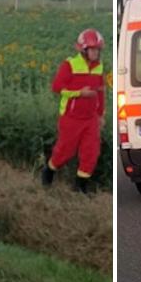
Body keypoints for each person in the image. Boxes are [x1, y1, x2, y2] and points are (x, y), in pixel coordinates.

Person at [43, 29, 105, 193]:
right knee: (65, 151)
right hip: (71, 118)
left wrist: (100, 114)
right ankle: (48, 171)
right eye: (92, 49)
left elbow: (100, 92)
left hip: (90, 119)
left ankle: (80, 188)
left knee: (91, 153)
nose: (95, 53)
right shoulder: (69, 65)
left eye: (98, 50)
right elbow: (56, 87)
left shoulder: (99, 67)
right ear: (83, 50)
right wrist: (79, 93)